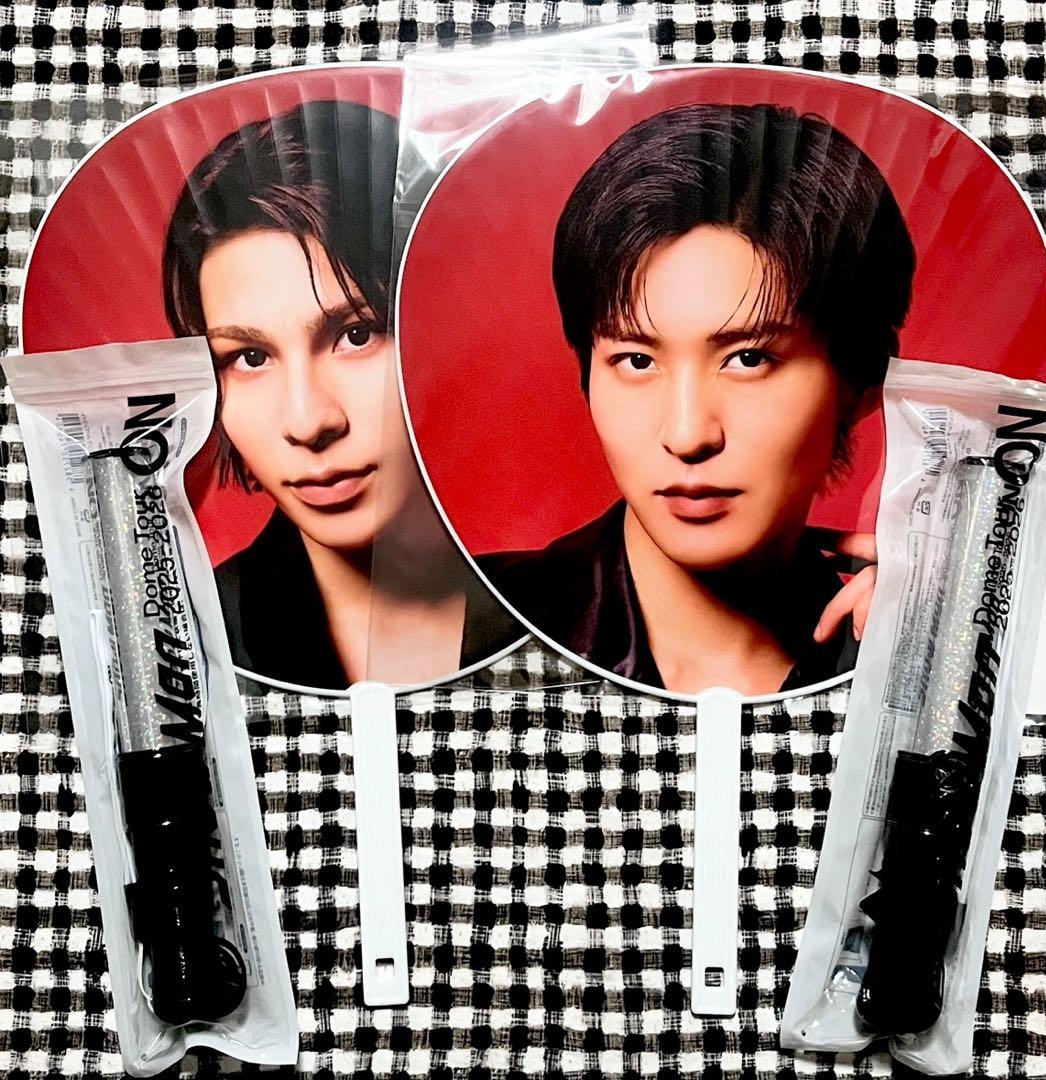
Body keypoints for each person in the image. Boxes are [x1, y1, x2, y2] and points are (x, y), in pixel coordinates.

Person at [485, 102, 915, 696]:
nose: (688, 436)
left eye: (749, 359)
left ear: (864, 378)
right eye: (637, 361)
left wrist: (951, 640)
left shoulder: (899, 658)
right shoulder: (468, 625)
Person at [164, 99, 518, 690]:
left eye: (356, 335)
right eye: (249, 358)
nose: (308, 421)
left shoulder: (575, 609)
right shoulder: (182, 649)